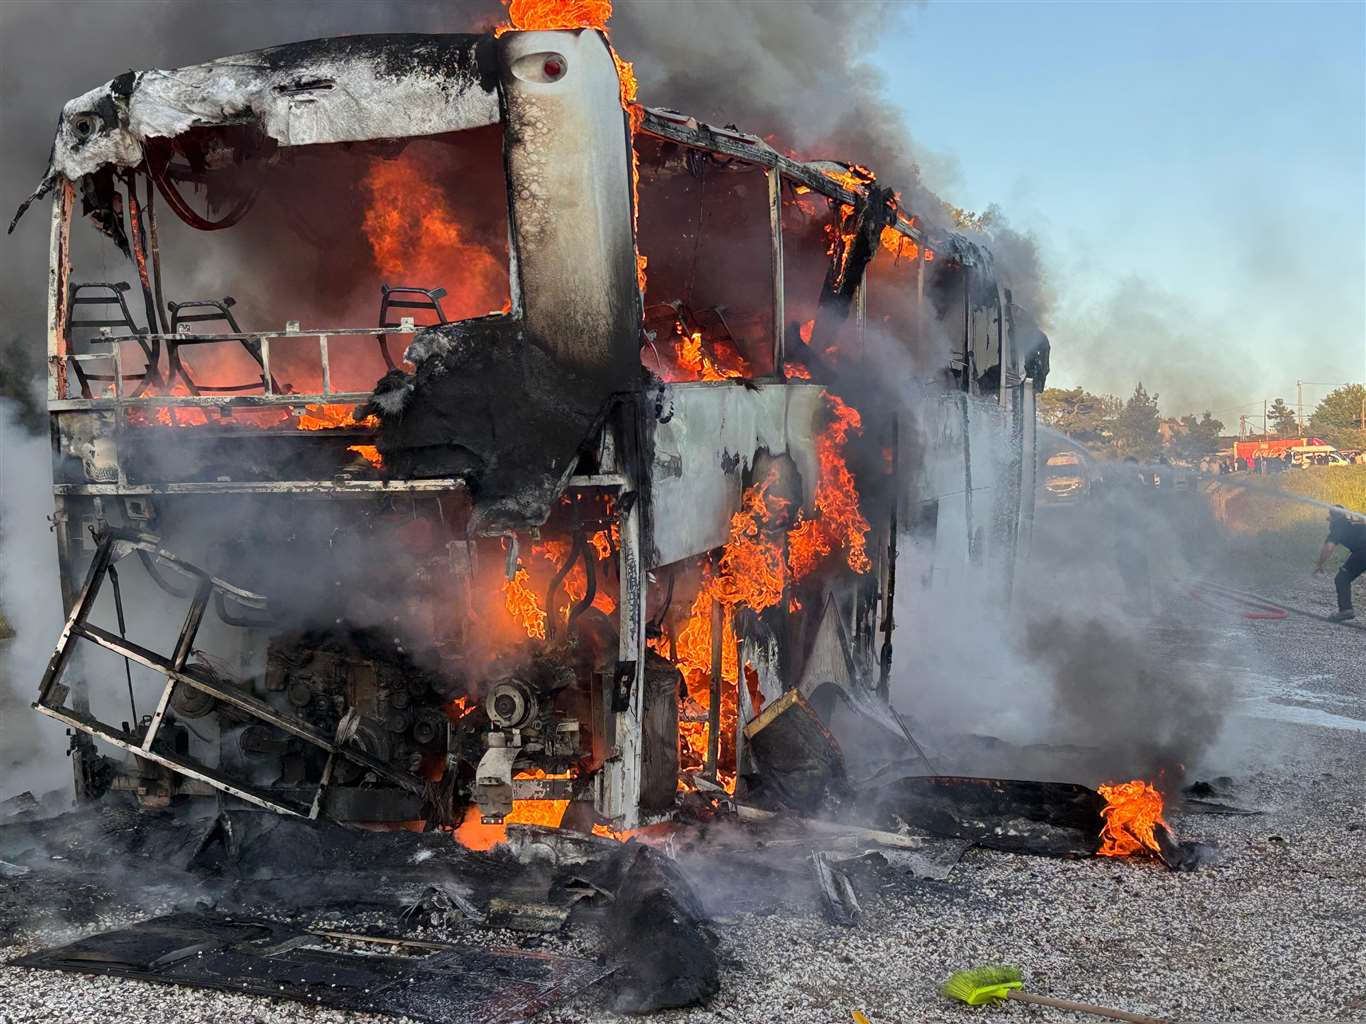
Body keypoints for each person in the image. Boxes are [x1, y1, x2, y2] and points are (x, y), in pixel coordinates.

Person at [1314, 506, 1366, 622]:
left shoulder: (1337, 528)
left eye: (1330, 515)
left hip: (1363, 552)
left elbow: (1329, 547)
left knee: (1342, 578)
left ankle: (1346, 610)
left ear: (1333, 517)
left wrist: (1319, 565)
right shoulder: (1354, 522)